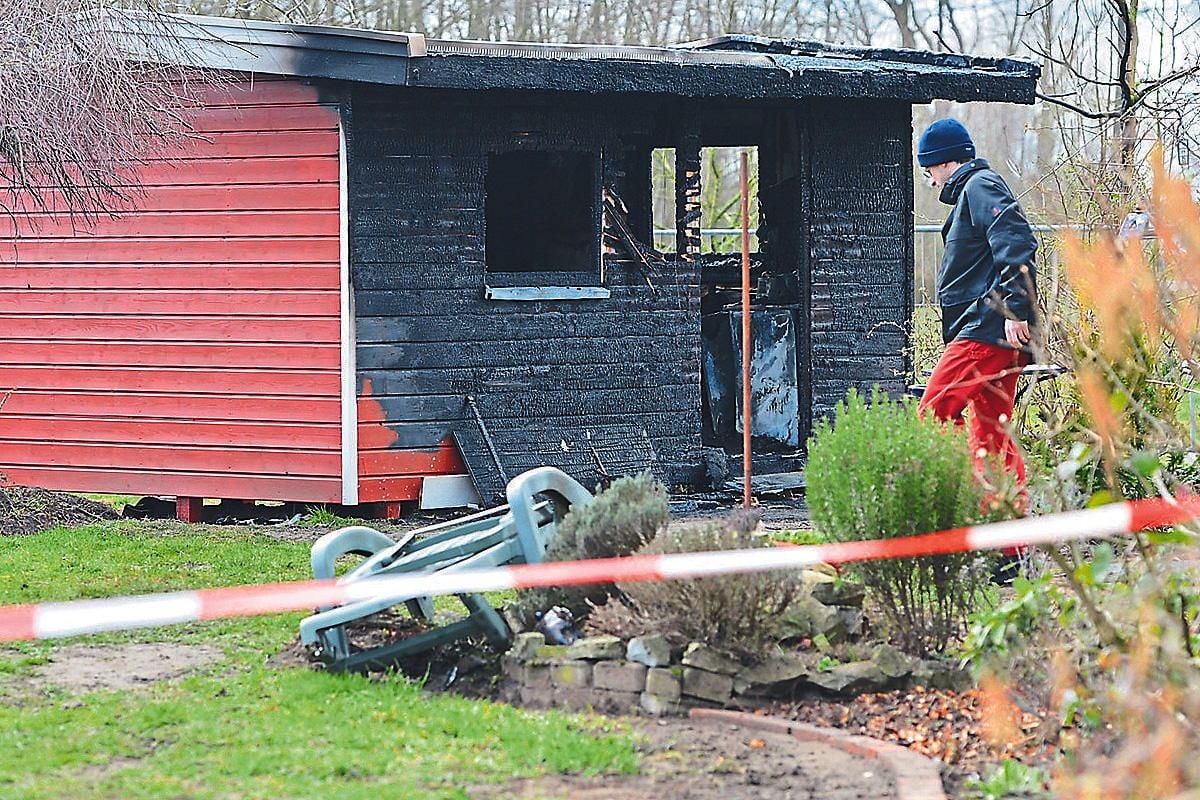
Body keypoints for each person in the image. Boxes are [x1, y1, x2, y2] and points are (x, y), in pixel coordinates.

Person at [916, 118, 1039, 488]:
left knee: (935, 412)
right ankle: (1008, 535)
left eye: (929, 171)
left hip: (986, 327)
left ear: (944, 162)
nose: (932, 181)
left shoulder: (981, 186)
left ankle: (948, 503)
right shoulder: (975, 190)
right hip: (990, 331)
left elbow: (1015, 239)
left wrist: (1016, 310)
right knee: (991, 436)